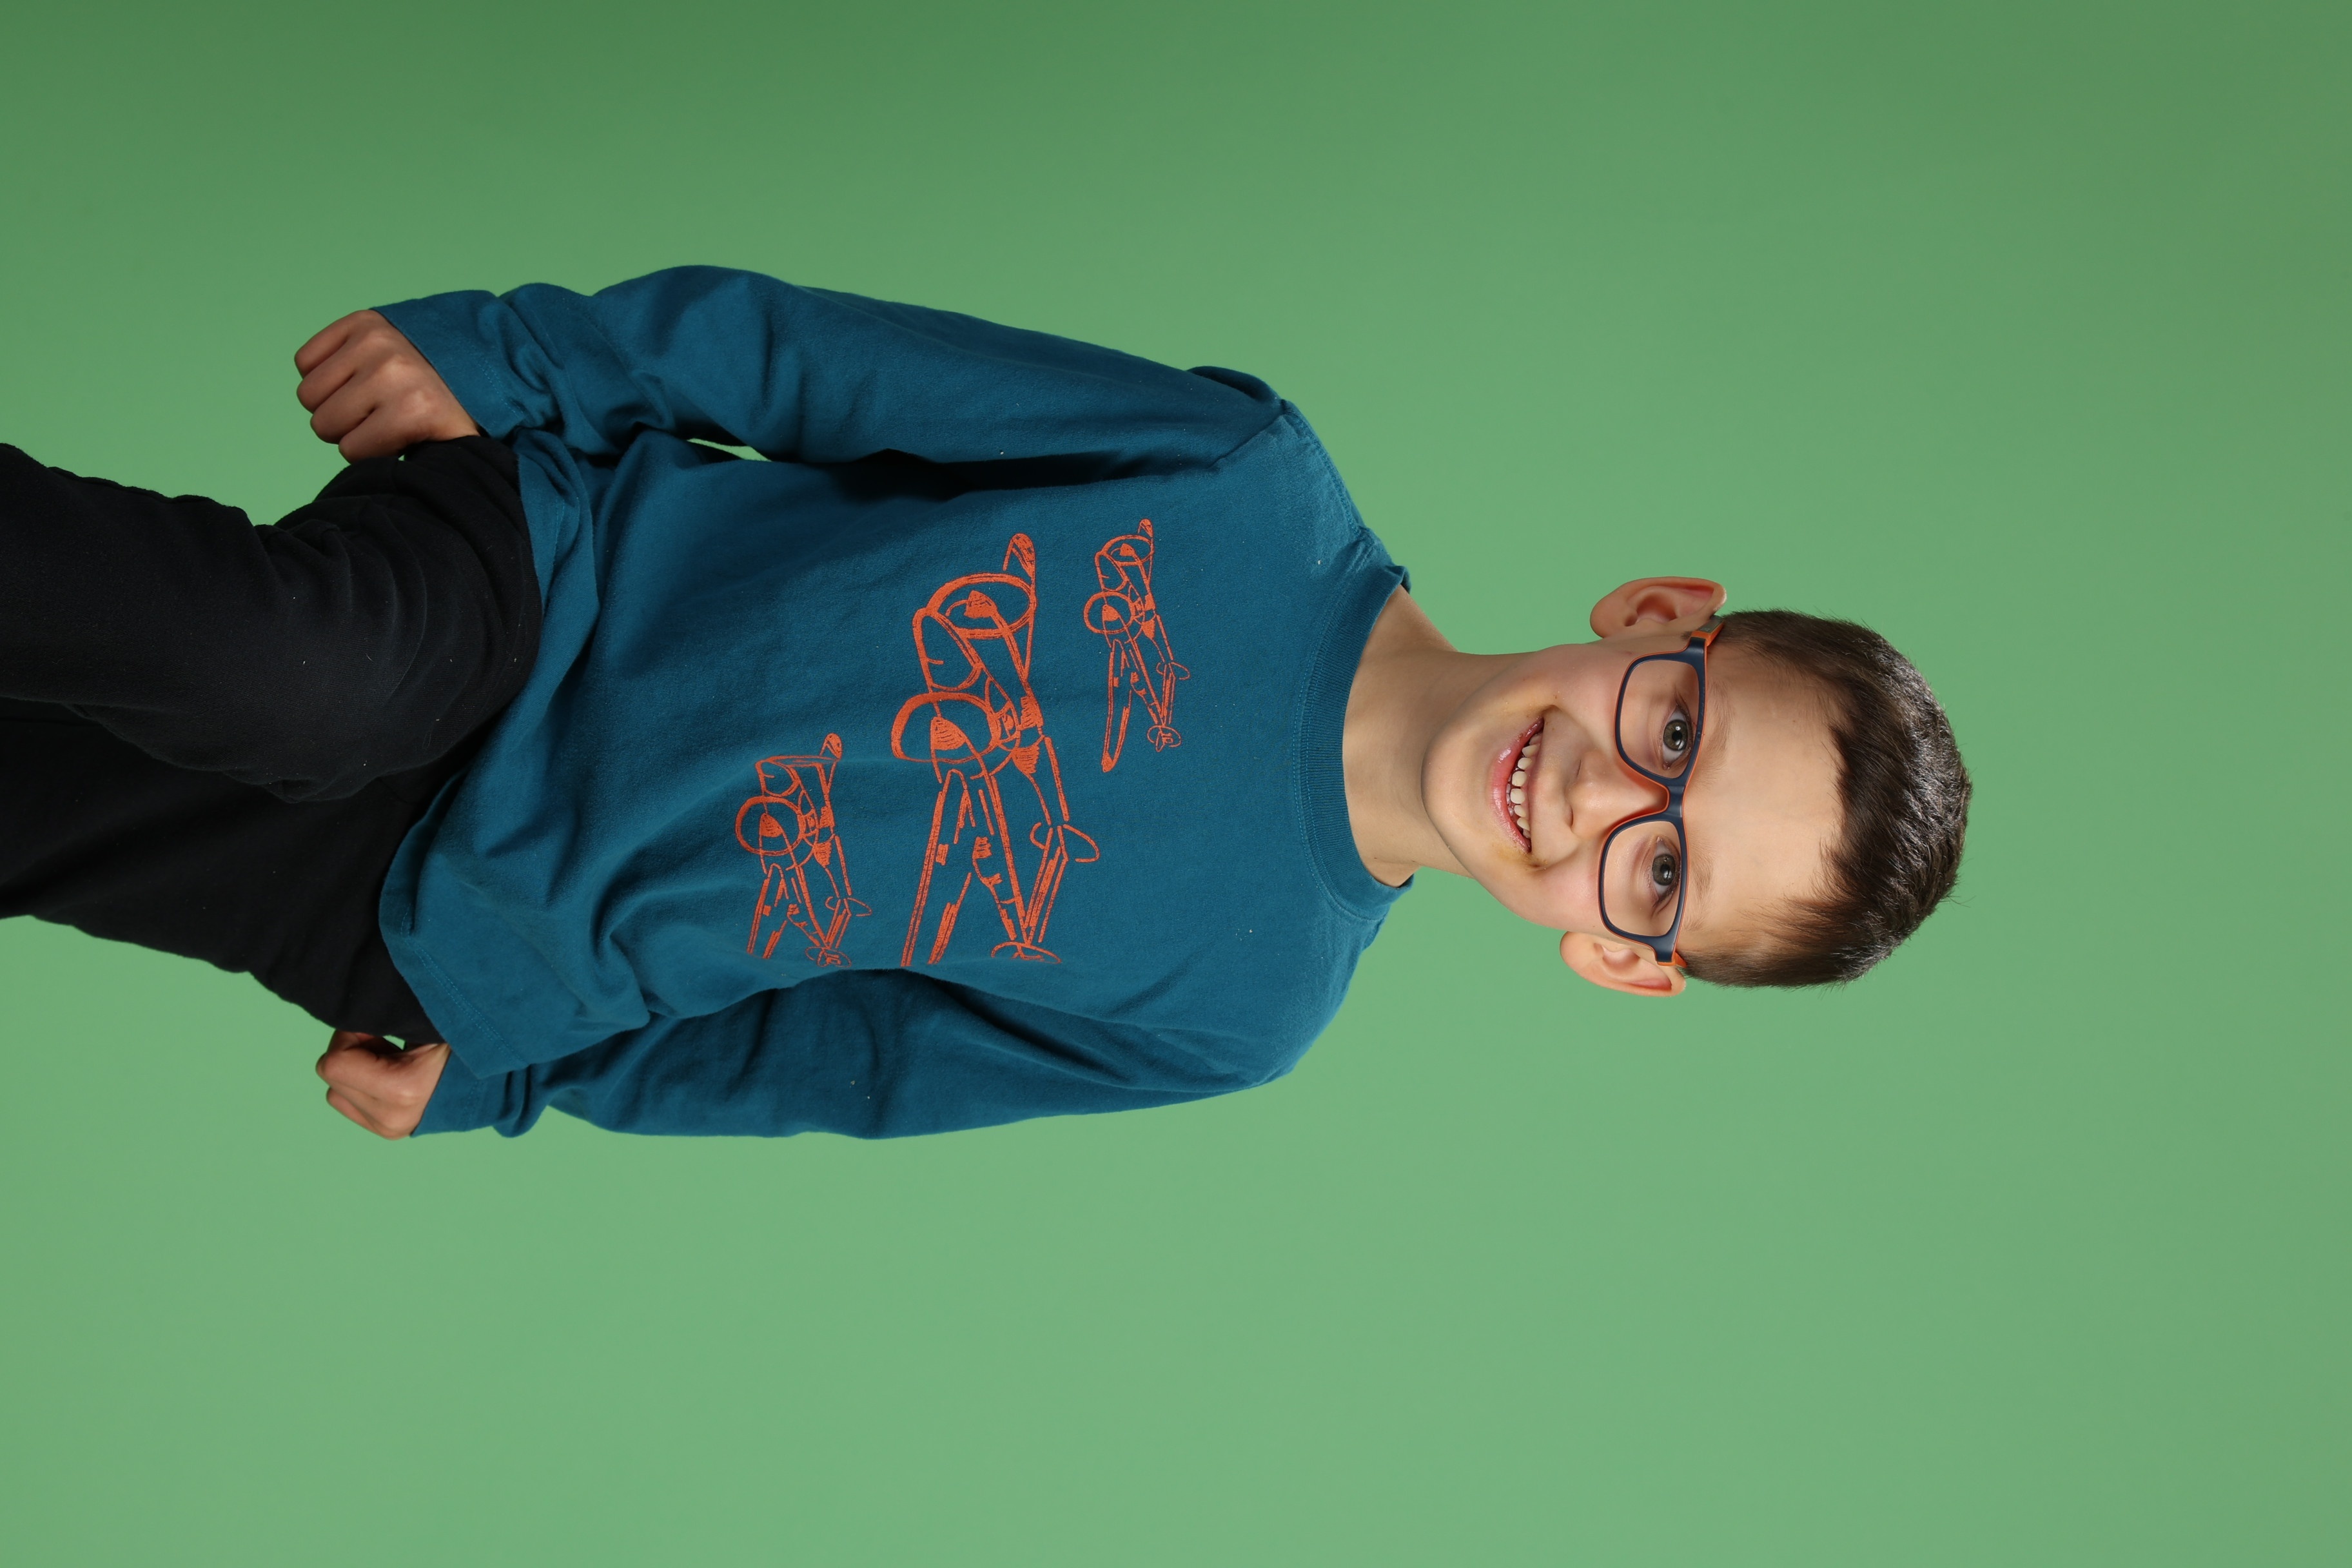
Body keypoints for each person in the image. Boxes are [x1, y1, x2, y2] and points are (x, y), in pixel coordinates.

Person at [0, 268, 1970, 1142]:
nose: (1608, 798)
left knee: (40, 815)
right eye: (1679, 733)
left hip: (481, 929)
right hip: (544, 597)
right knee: (286, 669)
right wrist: (528, 358)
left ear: (1625, 958)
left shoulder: (1245, 1010)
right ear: (1657, 620)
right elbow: (838, 369)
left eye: (1662, 873)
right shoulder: (1245, 484)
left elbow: (833, 1060)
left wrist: (519, 1077)